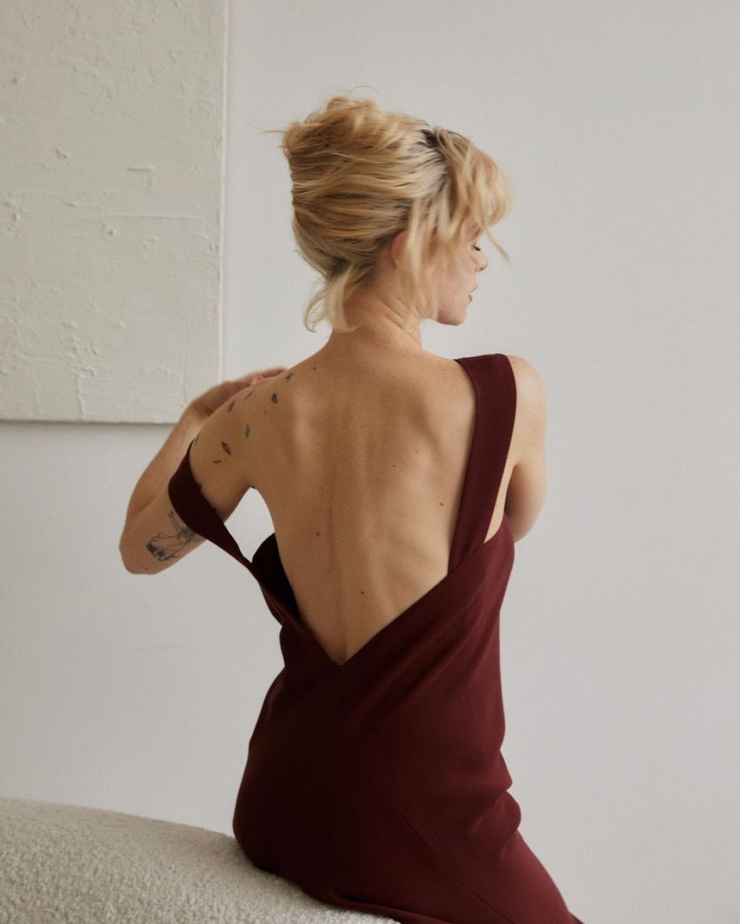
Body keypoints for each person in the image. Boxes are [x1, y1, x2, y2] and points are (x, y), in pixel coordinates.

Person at [120, 97, 584, 924]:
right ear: (409, 242)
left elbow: (141, 550)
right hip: (427, 819)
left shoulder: (253, 418)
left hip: (282, 803)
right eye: (472, 234)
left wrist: (193, 419)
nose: (483, 257)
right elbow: (513, 525)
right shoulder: (505, 392)